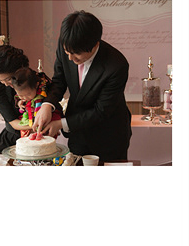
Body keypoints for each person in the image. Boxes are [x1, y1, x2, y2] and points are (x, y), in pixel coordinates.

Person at [38, 10, 132, 162]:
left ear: (95, 45)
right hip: (77, 133)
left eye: (76, 54)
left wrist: (60, 124)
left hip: (109, 135)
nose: (70, 58)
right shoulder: (66, 45)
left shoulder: (116, 65)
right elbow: (59, 81)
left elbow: (101, 111)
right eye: (67, 52)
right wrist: (47, 105)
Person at [0, 45, 64, 152]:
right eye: (0, 80)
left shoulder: (36, 79)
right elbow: (13, 122)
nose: (5, 84)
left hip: (40, 141)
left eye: (8, 79)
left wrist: (52, 121)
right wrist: (41, 124)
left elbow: (52, 98)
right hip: (13, 142)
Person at [7, 67, 61, 139]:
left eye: (28, 94)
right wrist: (20, 103)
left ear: (36, 85)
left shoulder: (43, 93)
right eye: (21, 95)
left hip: (46, 115)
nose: (25, 98)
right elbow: (20, 101)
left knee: (50, 125)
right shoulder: (24, 96)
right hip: (30, 116)